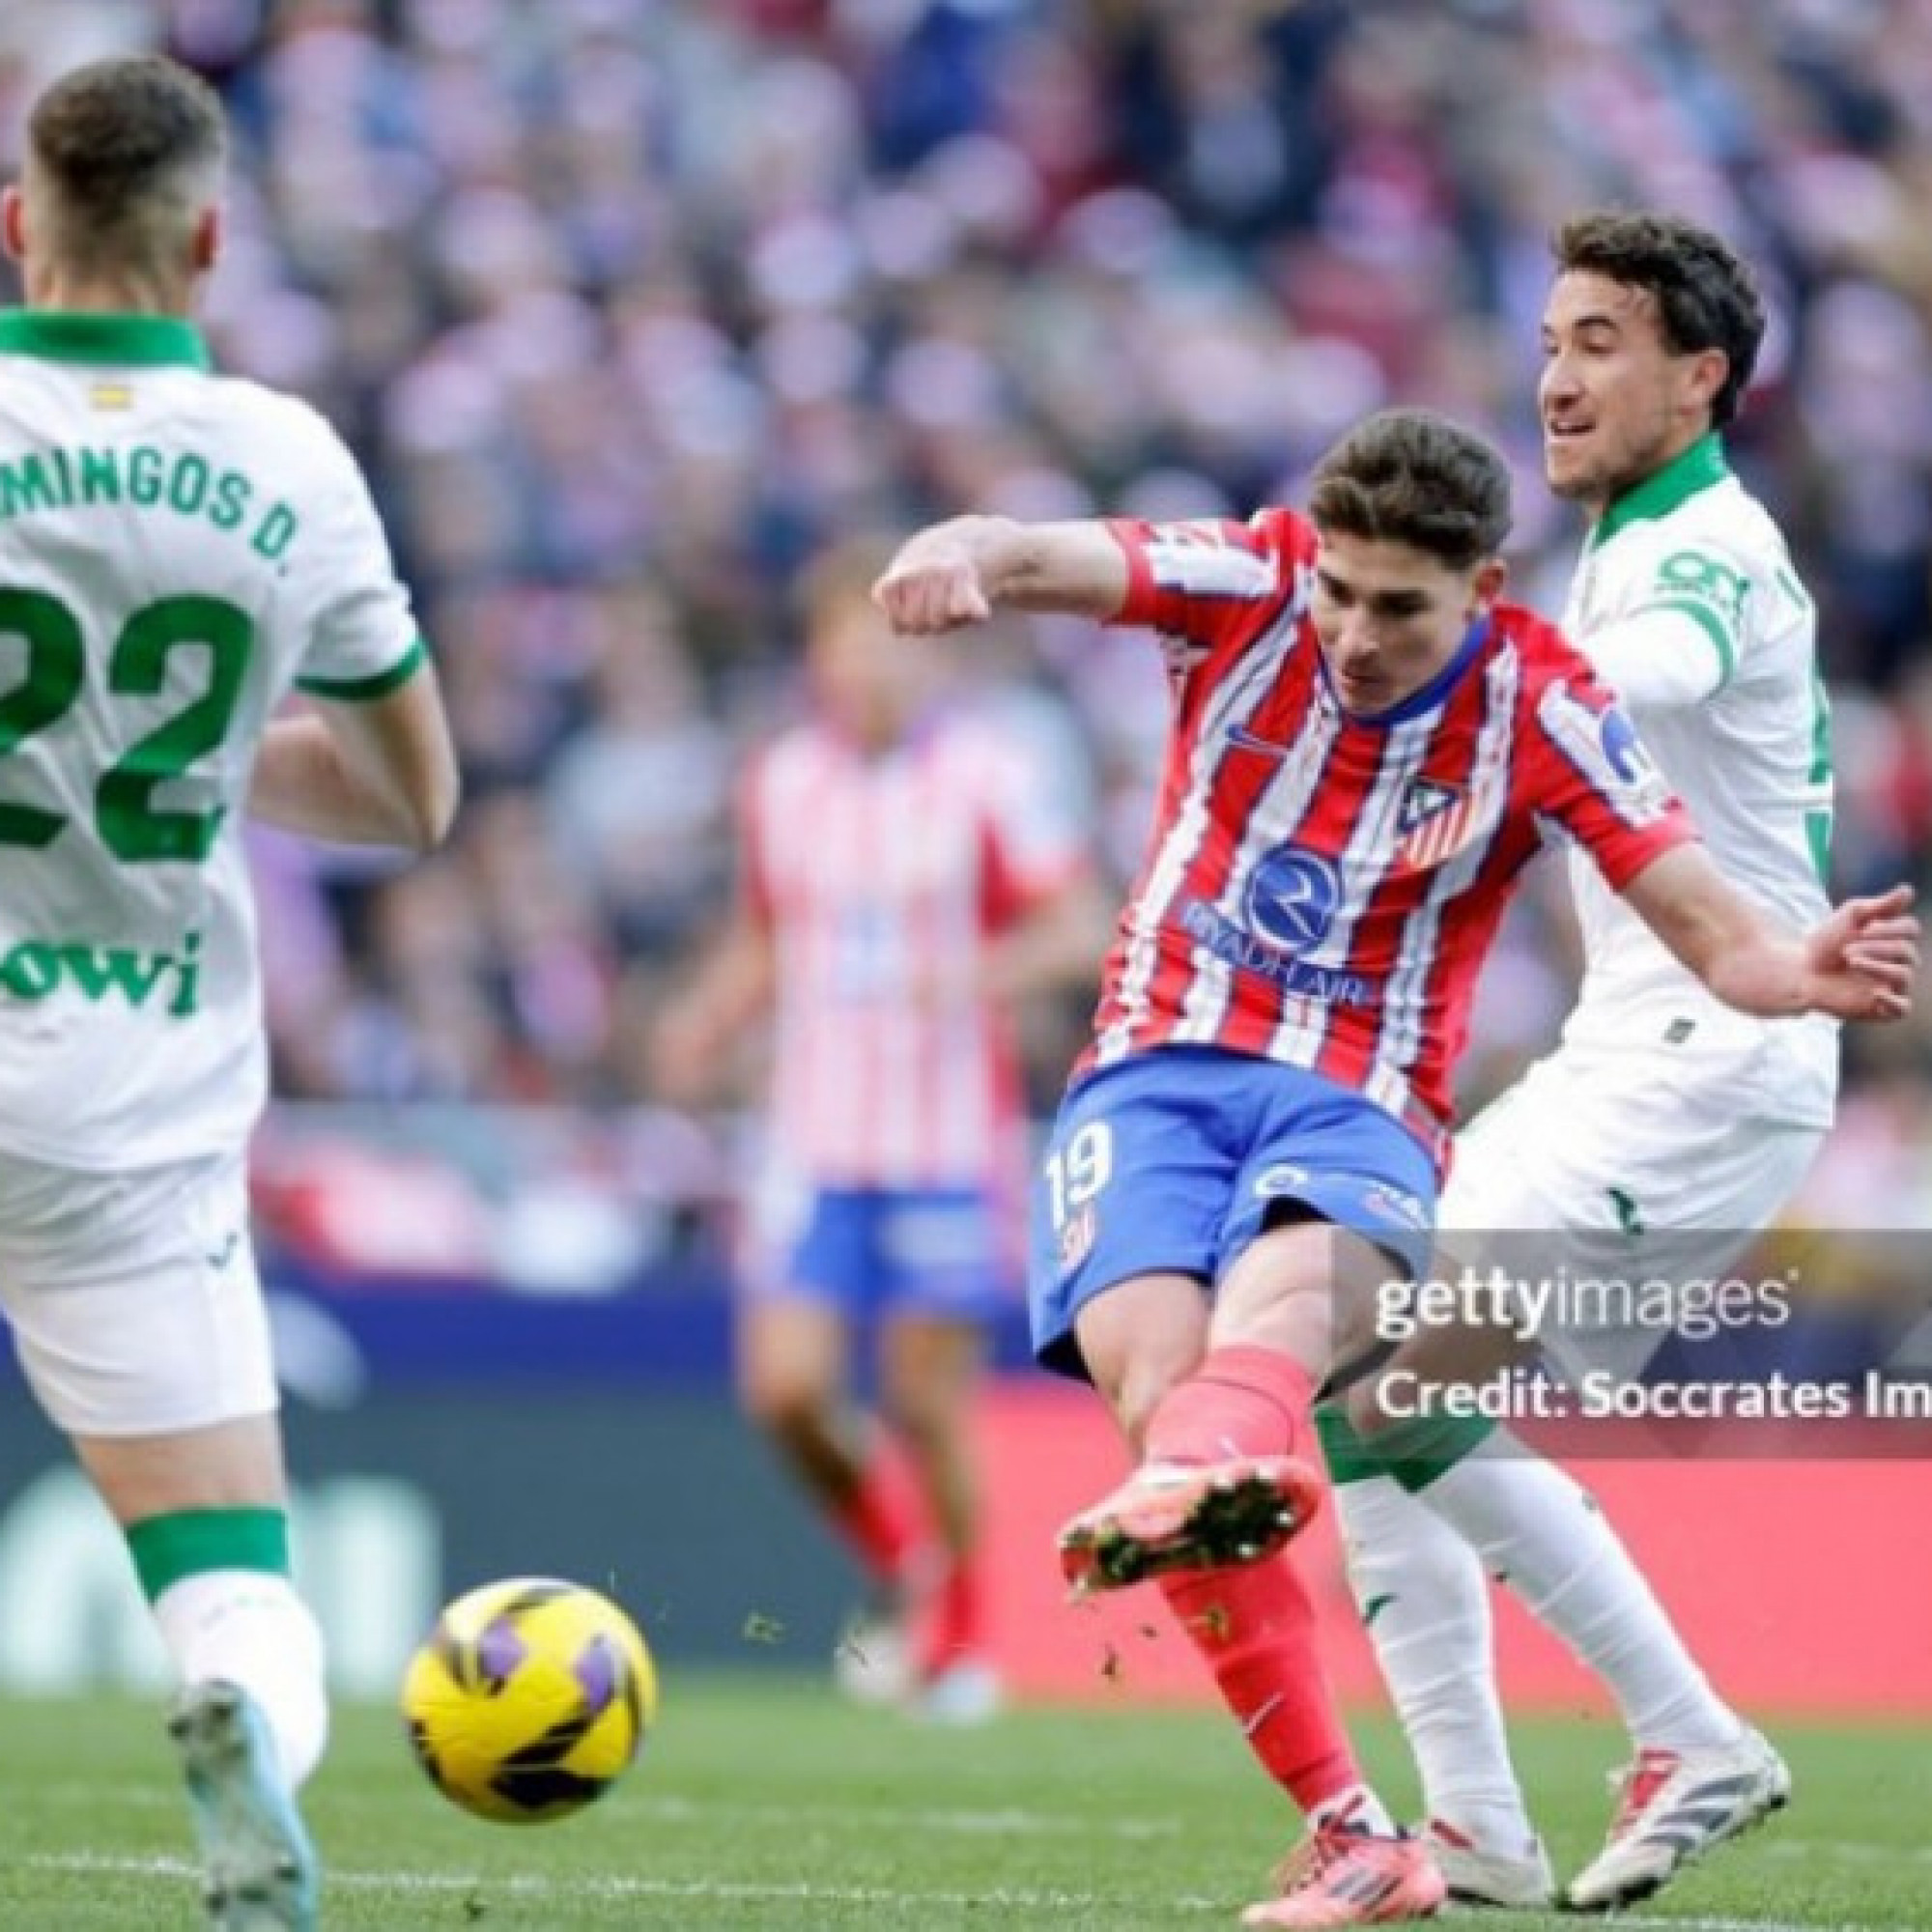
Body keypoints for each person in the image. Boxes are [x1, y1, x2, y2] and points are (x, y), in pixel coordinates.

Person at [873, 409, 1915, 1929]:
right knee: (1162, 1402)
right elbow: (1044, 553)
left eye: (1399, 608)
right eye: (1341, 594)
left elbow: (1710, 926)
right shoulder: (1246, 580)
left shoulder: (1545, 706)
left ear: (1486, 588)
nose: (1356, 634)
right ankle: (1361, 1835)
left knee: (1290, 1332)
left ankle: (1235, 1481)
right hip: (1151, 1072)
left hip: (1359, 1103)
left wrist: (1791, 967)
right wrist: (952, 549)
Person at [1316, 211, 1855, 1913]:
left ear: (1700, 381)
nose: (1556, 376)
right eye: (1552, 338)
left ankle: (1690, 1734)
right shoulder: (1613, 540)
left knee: (1390, 1380)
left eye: (1603, 343)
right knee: (1363, 1395)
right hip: (1649, 1041)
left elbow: (1659, 667)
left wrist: (1459, 678)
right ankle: (1472, 1824)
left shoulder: (1706, 548)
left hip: (1712, 1046)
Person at [0, 55, 459, 1932]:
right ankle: (238, 1721)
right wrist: (192, 765)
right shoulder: (287, 463)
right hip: (130, 1101)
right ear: (207, 236)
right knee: (230, 1570)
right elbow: (413, 797)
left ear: (20, 220)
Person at [653, 536, 1109, 1721]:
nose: (868, 666)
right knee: (787, 1390)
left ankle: (959, 1633)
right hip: (813, 1135)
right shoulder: (783, 779)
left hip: (945, 1143)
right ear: (817, 658)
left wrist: (974, 971)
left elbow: (1077, 925)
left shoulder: (989, 773)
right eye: (844, 644)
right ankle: (906, 1560)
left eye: (889, 644)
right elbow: (768, 930)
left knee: (923, 1399)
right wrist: (707, 1014)